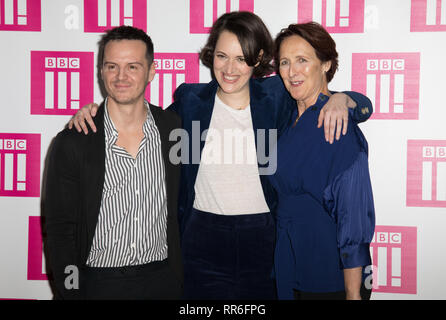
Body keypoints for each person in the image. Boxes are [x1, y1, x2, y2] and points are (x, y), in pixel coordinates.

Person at [68, 12, 372, 300]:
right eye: (222, 56)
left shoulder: (277, 97)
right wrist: (99, 112)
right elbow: (145, 120)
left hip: (264, 243)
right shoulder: (190, 102)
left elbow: (328, 94)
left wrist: (345, 100)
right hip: (201, 240)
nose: (230, 69)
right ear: (211, 55)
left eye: (241, 59)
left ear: (258, 61)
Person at [44, 26, 183, 300]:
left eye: (132, 66)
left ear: (151, 71)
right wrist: (71, 292)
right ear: (100, 70)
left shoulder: (176, 131)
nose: (121, 77)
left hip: (163, 282)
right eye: (111, 66)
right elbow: (60, 231)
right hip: (98, 284)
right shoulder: (73, 141)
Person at [269, 22, 375, 300]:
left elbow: (354, 220)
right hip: (286, 266)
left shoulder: (338, 126)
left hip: (326, 274)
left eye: (303, 60)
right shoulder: (286, 117)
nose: (292, 72)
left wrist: (354, 295)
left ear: (326, 63)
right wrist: (344, 96)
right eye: (284, 62)